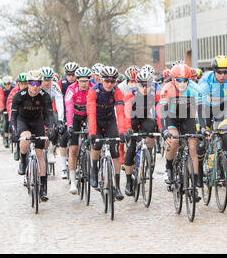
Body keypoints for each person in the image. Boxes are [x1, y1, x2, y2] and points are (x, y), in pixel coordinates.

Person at [198, 55, 227, 195]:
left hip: (223, 109)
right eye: (220, 72)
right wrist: (203, 126)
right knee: (201, 140)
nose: (223, 75)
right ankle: (199, 172)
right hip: (205, 108)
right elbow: (201, 106)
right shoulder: (205, 81)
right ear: (214, 71)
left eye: (226, 72)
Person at [10, 70, 57, 202]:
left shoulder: (44, 96)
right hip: (23, 121)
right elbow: (13, 116)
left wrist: (52, 128)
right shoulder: (19, 96)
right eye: (32, 83)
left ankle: (43, 189)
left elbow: (49, 115)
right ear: (28, 84)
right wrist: (13, 131)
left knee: (40, 154)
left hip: (37, 121)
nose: (35, 86)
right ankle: (23, 159)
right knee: (25, 137)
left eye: (38, 83)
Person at [158, 63, 204, 201]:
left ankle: (194, 186)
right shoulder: (167, 89)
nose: (182, 83)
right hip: (171, 117)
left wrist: (202, 127)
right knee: (174, 139)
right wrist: (165, 131)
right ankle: (169, 167)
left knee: (192, 148)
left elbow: (201, 110)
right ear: (173, 79)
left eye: (185, 80)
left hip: (187, 116)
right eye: (179, 80)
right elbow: (163, 113)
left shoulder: (195, 88)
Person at [87, 66, 126, 201]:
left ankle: (117, 186)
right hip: (96, 122)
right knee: (97, 145)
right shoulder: (94, 91)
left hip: (110, 120)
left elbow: (120, 113)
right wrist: (92, 132)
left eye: (113, 82)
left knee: (115, 152)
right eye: (107, 81)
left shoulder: (117, 91)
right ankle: (93, 168)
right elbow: (91, 113)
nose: (110, 84)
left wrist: (122, 132)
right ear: (102, 80)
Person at [120, 68, 161, 196]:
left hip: (145, 118)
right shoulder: (130, 93)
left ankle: (147, 155)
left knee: (152, 127)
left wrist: (161, 127)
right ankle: (128, 182)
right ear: (137, 85)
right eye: (142, 85)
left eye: (147, 85)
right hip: (132, 119)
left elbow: (160, 111)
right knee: (131, 147)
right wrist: (128, 129)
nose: (144, 88)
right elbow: (126, 113)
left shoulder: (155, 93)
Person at [64, 67, 93, 194]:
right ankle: (73, 181)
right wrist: (69, 125)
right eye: (81, 81)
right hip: (75, 116)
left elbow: (94, 109)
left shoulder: (93, 88)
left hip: (88, 115)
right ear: (77, 80)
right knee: (73, 149)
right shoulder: (71, 89)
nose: (84, 84)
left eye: (86, 81)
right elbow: (69, 107)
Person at [57, 61, 79, 179]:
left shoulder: (81, 82)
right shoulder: (61, 83)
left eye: (73, 74)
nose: (71, 77)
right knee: (64, 136)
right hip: (66, 112)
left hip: (79, 112)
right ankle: (63, 167)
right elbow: (57, 101)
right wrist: (60, 117)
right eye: (69, 74)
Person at [40, 66, 65, 165]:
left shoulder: (55, 86)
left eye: (49, 80)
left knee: (56, 130)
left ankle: (51, 151)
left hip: (49, 112)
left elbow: (59, 102)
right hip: (36, 111)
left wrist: (60, 119)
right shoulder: (36, 86)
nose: (47, 83)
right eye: (44, 80)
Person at [7, 73, 29, 161]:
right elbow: (9, 105)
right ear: (18, 84)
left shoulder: (32, 91)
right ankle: (18, 148)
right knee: (17, 130)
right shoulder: (14, 92)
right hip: (18, 114)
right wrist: (10, 119)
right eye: (21, 83)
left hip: (30, 114)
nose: (23, 85)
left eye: (25, 83)